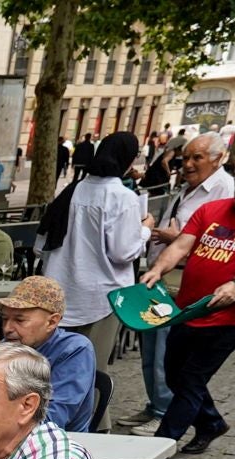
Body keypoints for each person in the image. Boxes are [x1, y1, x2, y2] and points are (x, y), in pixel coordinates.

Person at [120, 132, 234, 430]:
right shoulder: (189, 187)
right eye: (187, 158)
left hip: (186, 284)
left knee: (167, 356)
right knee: (153, 349)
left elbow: (219, 243)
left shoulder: (223, 188)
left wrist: (174, 237)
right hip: (163, 275)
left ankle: (164, 412)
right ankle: (157, 403)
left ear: (218, 158)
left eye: (198, 158)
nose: (189, 164)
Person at [139, 165, 235, 453]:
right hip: (188, 309)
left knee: (191, 378)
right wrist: (159, 269)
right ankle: (211, 423)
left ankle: (160, 446)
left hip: (231, 317)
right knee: (174, 373)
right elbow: (180, 246)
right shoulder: (210, 210)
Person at [41, 132, 154, 367]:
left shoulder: (71, 191)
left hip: (60, 292)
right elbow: (123, 252)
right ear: (128, 159)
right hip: (100, 298)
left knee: (53, 368)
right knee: (89, 371)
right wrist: (145, 230)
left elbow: (41, 244)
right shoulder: (122, 197)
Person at [0, 276, 96, 433]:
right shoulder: (7, 346)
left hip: (58, 444)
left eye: (19, 320)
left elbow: (54, 418)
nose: (8, 328)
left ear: (51, 322)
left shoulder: (75, 349)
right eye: (4, 319)